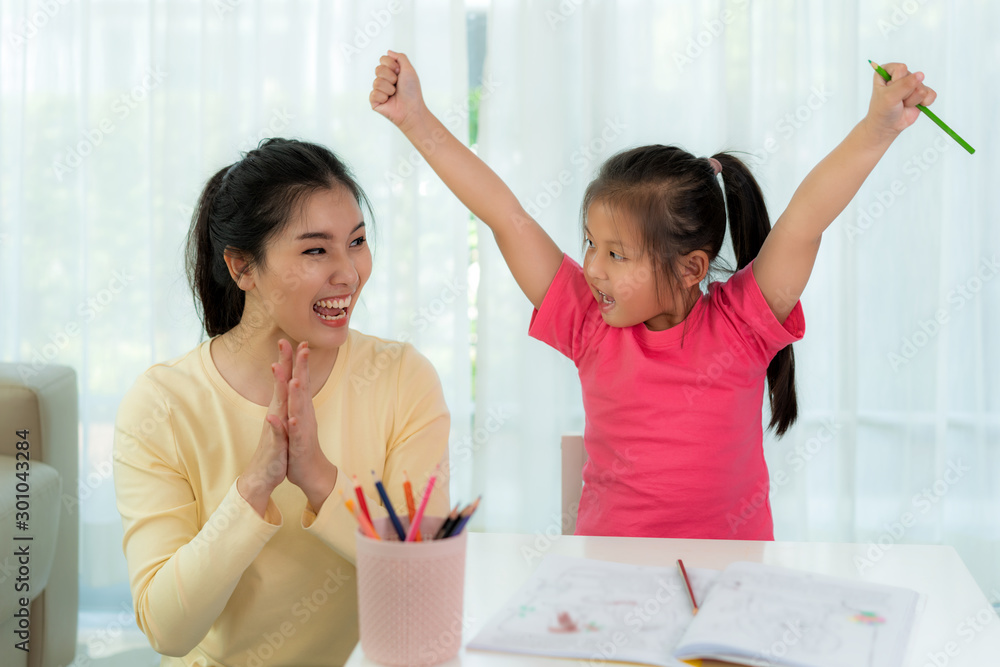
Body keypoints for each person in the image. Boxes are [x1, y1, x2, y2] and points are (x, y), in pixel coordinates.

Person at [370, 51, 935, 540]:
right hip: (610, 576)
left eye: (616, 254)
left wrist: (877, 128)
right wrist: (414, 119)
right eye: (590, 243)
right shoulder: (588, 321)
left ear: (691, 268)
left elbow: (806, 220)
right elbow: (502, 213)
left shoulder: (743, 323)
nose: (591, 268)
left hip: (729, 578)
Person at [113, 138, 450, 666]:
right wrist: (253, 487)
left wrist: (318, 476)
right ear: (242, 267)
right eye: (316, 250)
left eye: (357, 242)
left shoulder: (402, 377)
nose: (349, 272)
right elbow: (167, 630)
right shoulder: (163, 404)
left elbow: (424, 587)